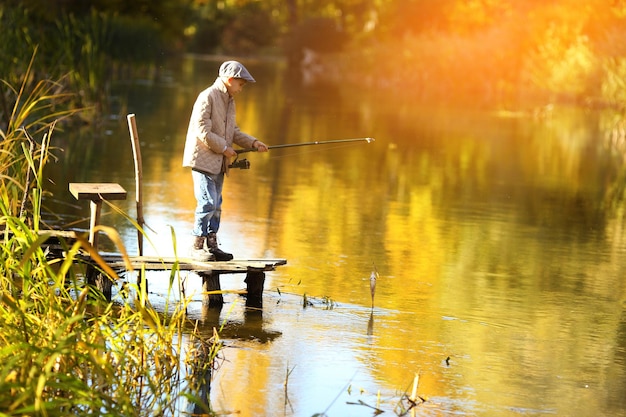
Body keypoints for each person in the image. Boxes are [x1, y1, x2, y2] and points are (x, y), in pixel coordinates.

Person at [182, 60, 268, 261]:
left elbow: (233, 132)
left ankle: (212, 245)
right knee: (207, 202)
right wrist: (224, 147)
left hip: (219, 163)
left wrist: (254, 143)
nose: (241, 89)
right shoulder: (208, 96)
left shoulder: (229, 101)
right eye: (241, 84)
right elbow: (202, 130)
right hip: (202, 161)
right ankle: (196, 245)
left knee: (217, 204)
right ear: (230, 80)